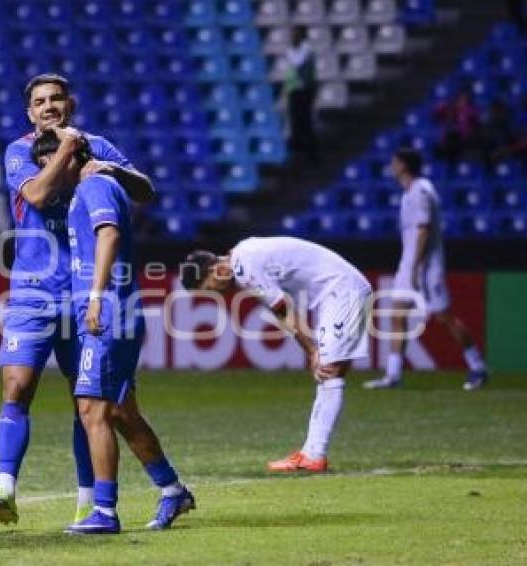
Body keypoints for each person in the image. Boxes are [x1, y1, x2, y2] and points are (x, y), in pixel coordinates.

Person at [0, 74, 156, 527]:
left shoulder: (97, 144)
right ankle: (5, 489)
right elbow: (36, 194)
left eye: (56, 98)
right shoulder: (18, 151)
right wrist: (67, 151)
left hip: (82, 294)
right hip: (32, 291)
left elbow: (145, 190)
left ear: (69, 104)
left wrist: (106, 167)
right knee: (16, 387)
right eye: (40, 101)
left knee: (88, 400)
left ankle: (86, 500)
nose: (49, 106)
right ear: (30, 112)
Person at [28, 130, 195, 534]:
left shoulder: (96, 186)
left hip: (108, 310)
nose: (47, 174)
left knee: (91, 407)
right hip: (111, 310)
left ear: (69, 157)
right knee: (121, 412)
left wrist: (98, 295)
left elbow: (110, 234)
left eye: (49, 163)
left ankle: (104, 511)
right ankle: (172, 489)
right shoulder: (93, 187)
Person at [181, 237, 373, 473]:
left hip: (343, 292)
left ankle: (314, 455)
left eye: (211, 288)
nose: (218, 295)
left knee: (328, 371)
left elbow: (283, 309)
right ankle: (312, 453)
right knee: (330, 372)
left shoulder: (244, 267)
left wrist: (312, 350)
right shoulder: (242, 255)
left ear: (218, 270)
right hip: (338, 292)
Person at [364, 149, 489, 391]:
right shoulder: (408, 193)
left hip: (425, 266)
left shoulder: (421, 190)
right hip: (409, 264)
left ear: (403, 165)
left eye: (394, 162)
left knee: (444, 317)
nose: (391, 166)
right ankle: (393, 375)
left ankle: (478, 367)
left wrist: (416, 265)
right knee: (397, 316)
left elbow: (424, 228)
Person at [282, 28, 319, 165]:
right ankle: (298, 154)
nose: (292, 37)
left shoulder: (306, 50)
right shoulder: (293, 50)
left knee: (305, 123)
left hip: (305, 90)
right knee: (295, 122)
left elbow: (298, 64)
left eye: (295, 35)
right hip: (295, 90)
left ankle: (311, 156)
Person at [434, 89, 481, 167]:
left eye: (464, 99)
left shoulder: (471, 111)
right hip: (449, 141)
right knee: (440, 149)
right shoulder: (450, 110)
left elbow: (476, 122)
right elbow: (437, 112)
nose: (461, 102)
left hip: (464, 141)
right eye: (460, 99)